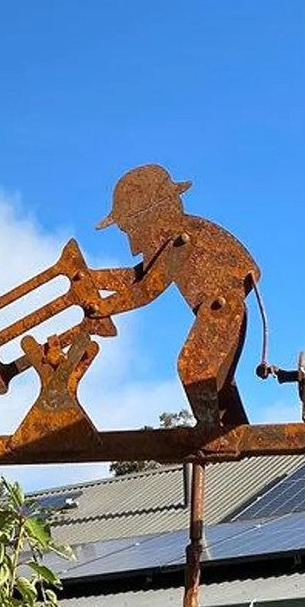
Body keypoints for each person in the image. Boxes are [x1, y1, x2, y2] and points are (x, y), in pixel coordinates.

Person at [92, 165, 260, 431]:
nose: (131, 238)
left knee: (193, 367)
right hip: (223, 307)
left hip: (222, 307)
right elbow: (142, 276)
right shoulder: (180, 236)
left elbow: (148, 289)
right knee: (217, 379)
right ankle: (235, 429)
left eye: (129, 228)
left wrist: (102, 307)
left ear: (148, 216)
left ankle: (210, 431)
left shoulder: (182, 239)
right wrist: (93, 279)